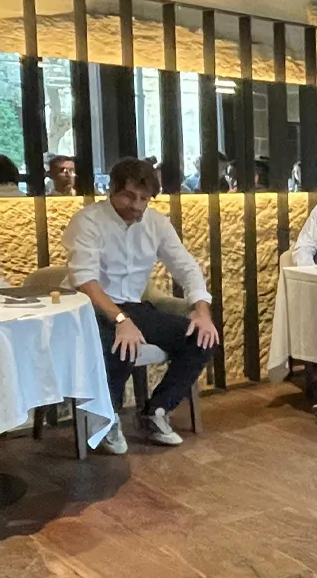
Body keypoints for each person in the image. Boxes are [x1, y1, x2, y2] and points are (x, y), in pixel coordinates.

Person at [65, 157, 220, 452]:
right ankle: (106, 418)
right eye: (128, 196)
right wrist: (121, 321)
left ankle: (156, 411)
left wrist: (202, 311)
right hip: (89, 308)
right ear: (111, 189)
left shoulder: (156, 223)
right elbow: (85, 280)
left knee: (201, 339)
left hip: (133, 306)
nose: (136, 206)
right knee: (121, 347)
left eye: (144, 199)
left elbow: (186, 267)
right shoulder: (87, 221)